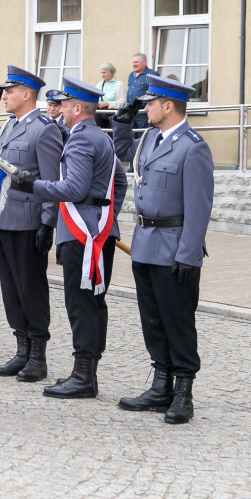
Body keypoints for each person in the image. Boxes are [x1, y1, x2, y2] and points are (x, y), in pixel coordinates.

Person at [13, 77, 127, 399]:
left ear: (77, 108)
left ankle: (83, 376)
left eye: (64, 104)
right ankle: (87, 372)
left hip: (82, 234)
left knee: (81, 303)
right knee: (93, 301)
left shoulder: (79, 140)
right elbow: (119, 180)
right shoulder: (99, 137)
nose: (60, 108)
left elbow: (74, 189)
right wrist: (105, 214)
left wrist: (32, 186)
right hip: (98, 230)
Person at [111, 76, 213, 424]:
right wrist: (122, 126)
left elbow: (199, 207)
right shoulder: (151, 138)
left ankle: (183, 392)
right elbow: (125, 155)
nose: (145, 108)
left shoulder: (193, 146)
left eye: (150, 103)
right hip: (145, 245)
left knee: (177, 321)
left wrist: (189, 254)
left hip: (173, 248)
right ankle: (160, 385)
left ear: (168, 106)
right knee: (152, 320)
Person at [0, 66, 63, 381]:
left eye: (9, 92)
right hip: (2, 219)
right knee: (11, 289)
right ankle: (21, 349)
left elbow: (51, 180)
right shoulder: (8, 126)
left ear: (27, 94)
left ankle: (38, 356)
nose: (4, 96)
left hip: (28, 221)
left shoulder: (44, 129)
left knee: (31, 289)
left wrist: (47, 223)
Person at [126, 53, 158, 129]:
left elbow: (155, 93)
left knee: (143, 134)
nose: (134, 64)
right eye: (133, 62)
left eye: (136, 62)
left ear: (145, 62)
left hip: (143, 112)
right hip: (131, 111)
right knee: (133, 135)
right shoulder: (131, 75)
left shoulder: (152, 74)